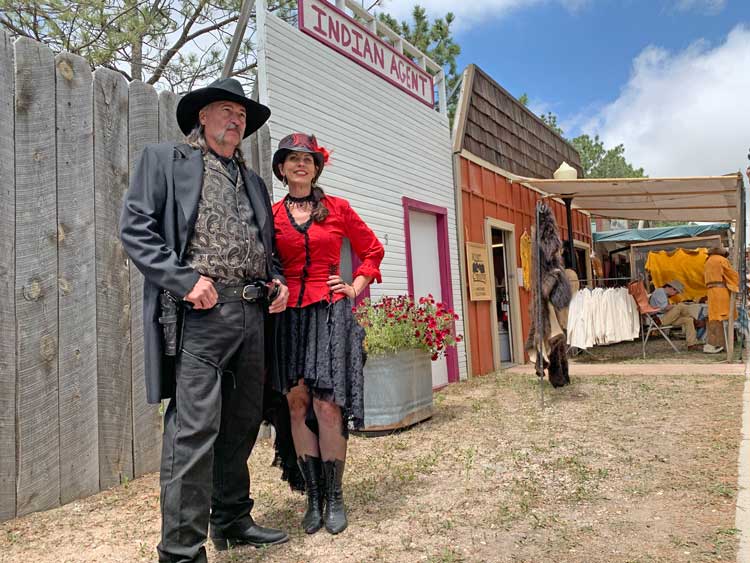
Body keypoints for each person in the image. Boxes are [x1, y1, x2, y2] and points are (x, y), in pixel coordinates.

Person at [120, 77, 290, 563]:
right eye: (224, 110)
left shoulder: (254, 181)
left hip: (253, 313)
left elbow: (266, 250)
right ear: (202, 116)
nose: (235, 120)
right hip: (202, 313)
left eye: (241, 115)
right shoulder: (165, 161)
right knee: (193, 432)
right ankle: (179, 550)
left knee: (241, 425)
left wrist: (276, 281)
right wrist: (183, 279)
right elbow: (136, 227)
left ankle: (231, 520)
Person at [270, 133, 384, 535]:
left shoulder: (337, 208)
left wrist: (355, 286)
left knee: (327, 406)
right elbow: (266, 264)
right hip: (288, 319)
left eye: (309, 159)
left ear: (317, 168)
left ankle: (335, 497)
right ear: (282, 168)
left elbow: (373, 250)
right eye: (293, 159)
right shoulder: (270, 215)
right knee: (298, 403)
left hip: (329, 313)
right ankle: (314, 497)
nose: (301, 164)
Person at [703, 245, 739, 354]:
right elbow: (731, 275)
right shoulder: (722, 260)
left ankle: (713, 344)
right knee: (723, 318)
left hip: (711, 292)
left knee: (714, 318)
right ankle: (719, 344)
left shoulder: (707, 261)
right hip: (720, 292)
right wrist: (735, 285)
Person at [648, 279, 701, 351]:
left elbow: (665, 308)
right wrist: (675, 306)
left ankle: (691, 345)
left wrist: (675, 307)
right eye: (676, 292)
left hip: (665, 317)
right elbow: (665, 308)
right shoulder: (660, 291)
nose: (675, 294)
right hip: (659, 319)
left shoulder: (663, 294)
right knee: (680, 306)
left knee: (688, 320)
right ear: (672, 288)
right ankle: (696, 321)